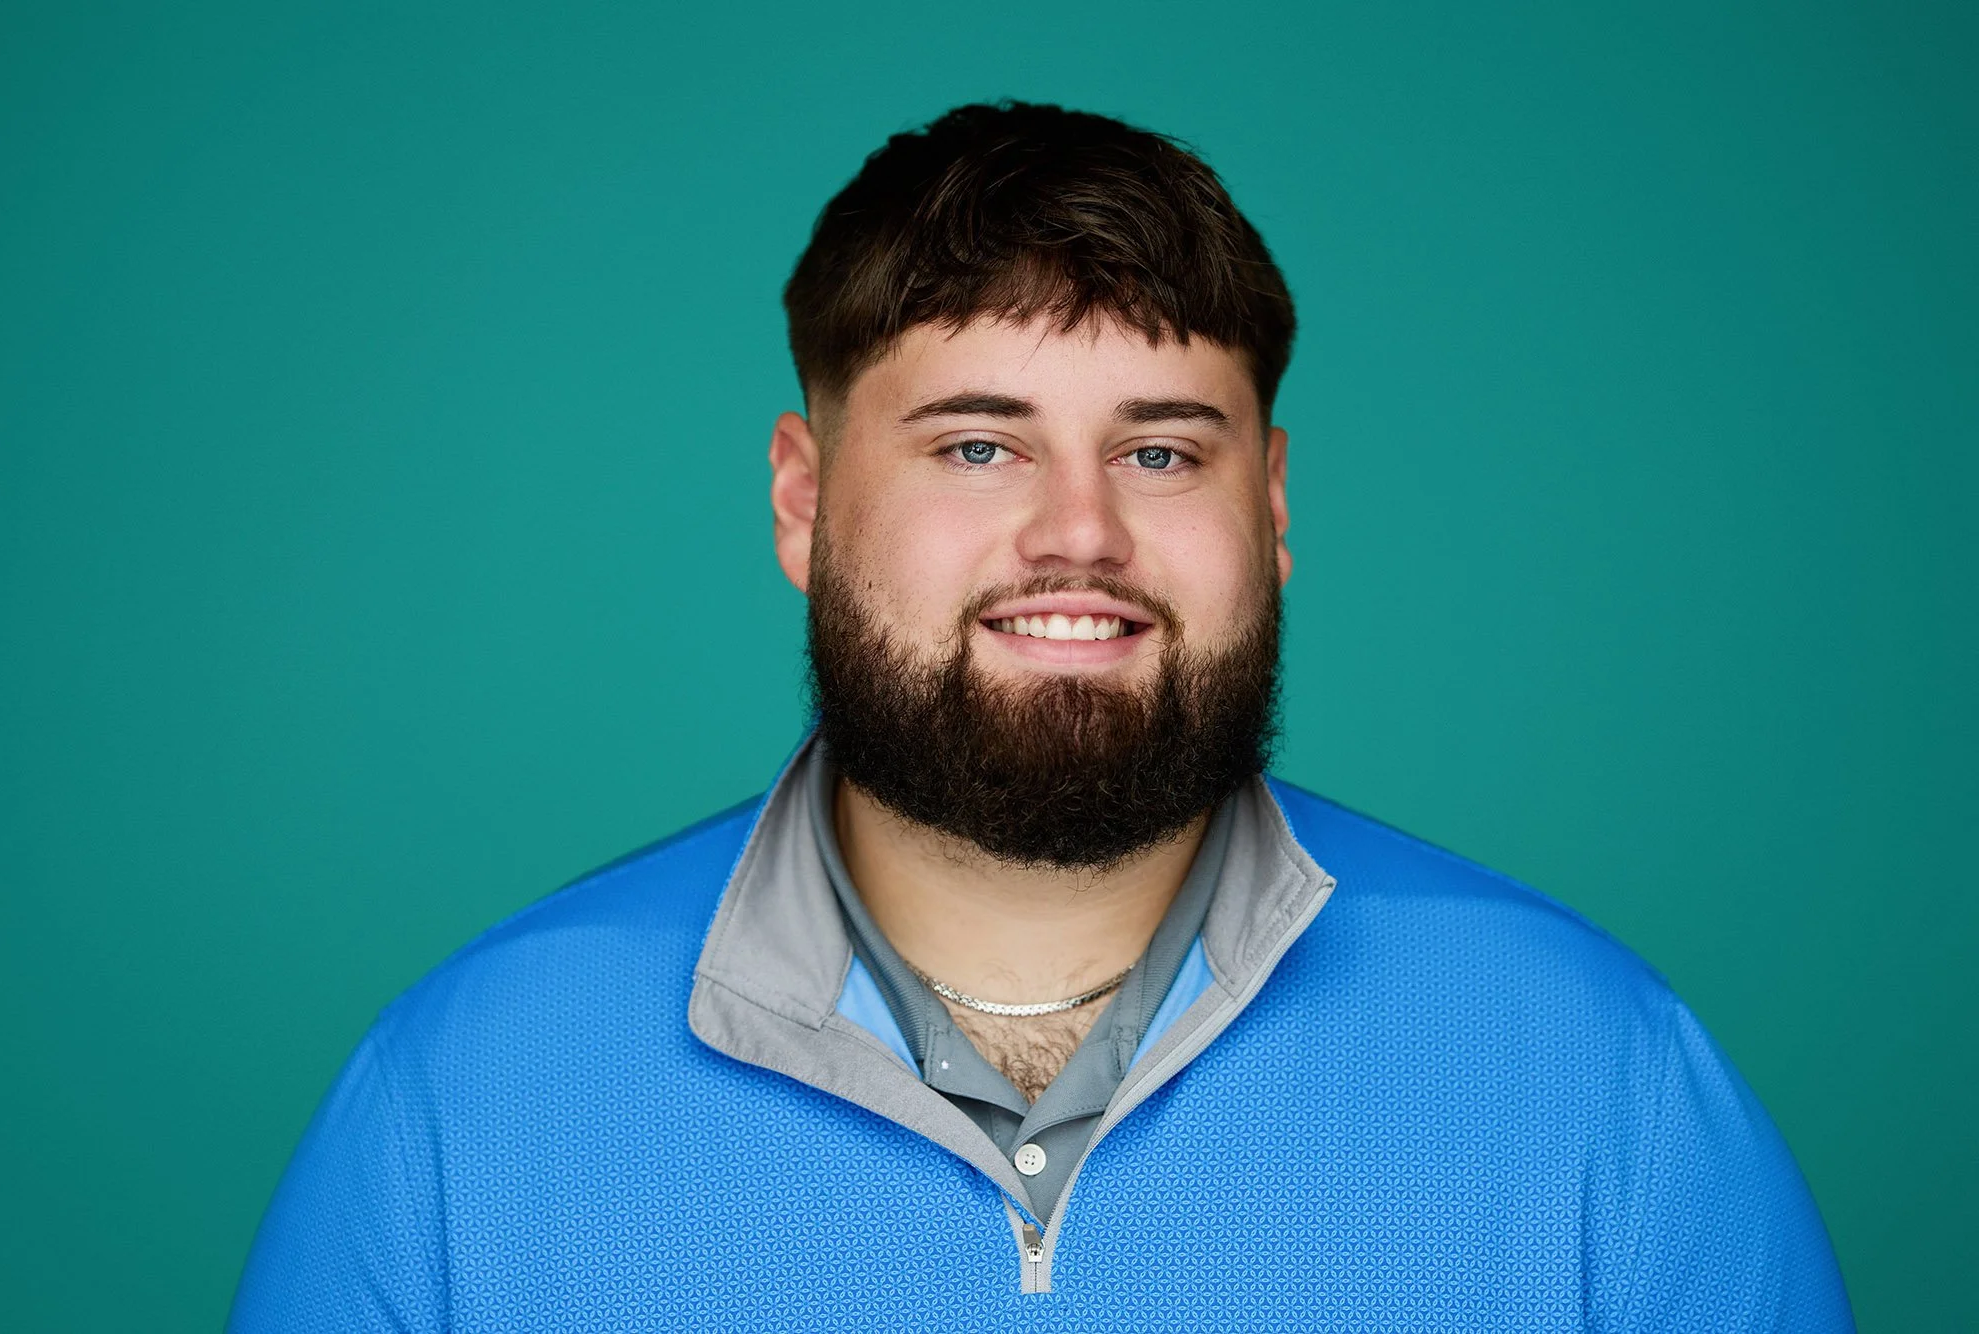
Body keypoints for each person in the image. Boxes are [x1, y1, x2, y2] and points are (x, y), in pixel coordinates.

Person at [230, 101, 1852, 1330]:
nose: (1078, 532)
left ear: (1271, 504)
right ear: (802, 502)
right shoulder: (454, 1106)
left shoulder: (1610, 1088)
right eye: (977, 445)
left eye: (1161, 450)